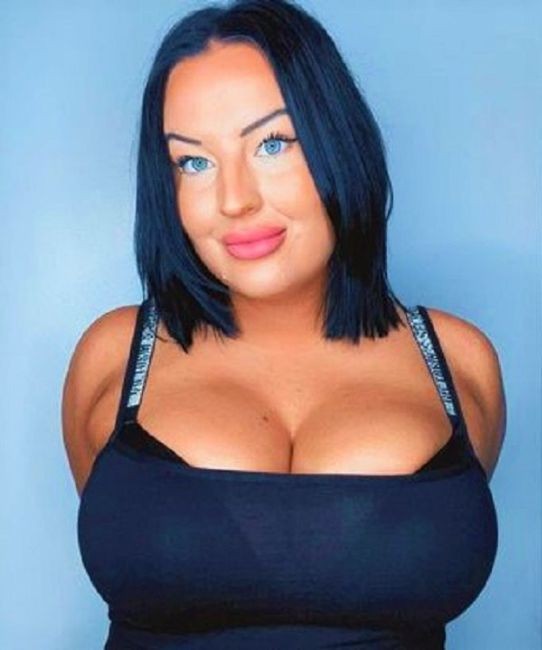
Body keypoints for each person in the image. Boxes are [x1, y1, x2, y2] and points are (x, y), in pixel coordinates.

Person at [62, 0, 506, 647]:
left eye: (272, 144)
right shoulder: (114, 358)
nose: (234, 200)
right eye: (193, 162)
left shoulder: (458, 361)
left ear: (337, 141)